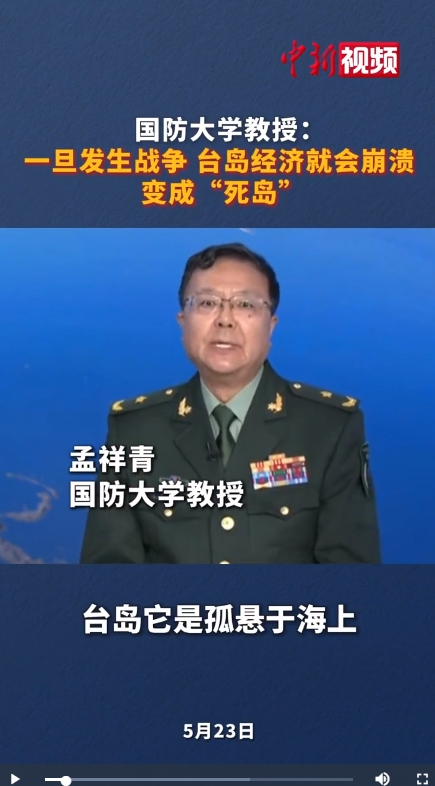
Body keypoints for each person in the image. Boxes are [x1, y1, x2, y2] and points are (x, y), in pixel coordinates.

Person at [80, 242, 381, 564]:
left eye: (245, 304)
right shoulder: (133, 430)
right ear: (183, 321)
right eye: (207, 303)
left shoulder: (329, 428)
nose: (225, 319)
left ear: (271, 325)